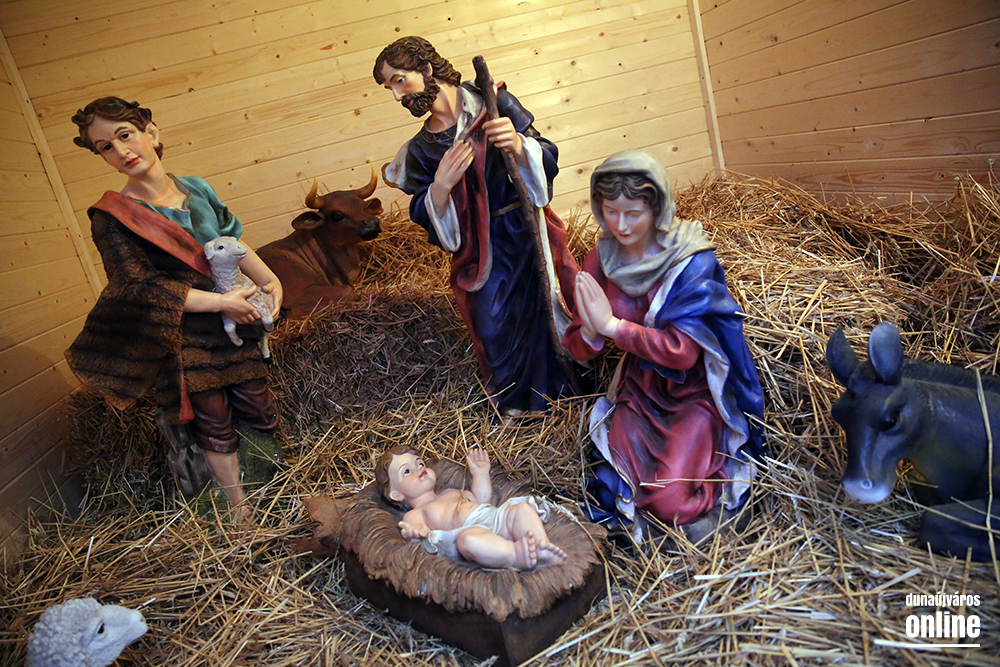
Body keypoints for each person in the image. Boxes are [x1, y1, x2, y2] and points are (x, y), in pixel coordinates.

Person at [66, 97, 283, 521]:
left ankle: (275, 483)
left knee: (257, 405)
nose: (121, 150)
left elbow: (231, 241)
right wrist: (221, 302)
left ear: (151, 133)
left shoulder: (197, 188)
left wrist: (268, 279)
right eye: (106, 146)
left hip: (233, 323)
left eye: (125, 135)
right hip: (183, 336)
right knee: (213, 421)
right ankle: (239, 510)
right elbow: (139, 288)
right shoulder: (112, 218)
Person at [373, 36, 581, 415]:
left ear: (426, 69)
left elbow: (548, 154)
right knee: (493, 325)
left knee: (548, 312)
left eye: (399, 81)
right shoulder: (421, 150)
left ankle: (567, 398)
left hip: (527, 231)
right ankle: (520, 409)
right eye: (390, 87)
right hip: (482, 251)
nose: (397, 95)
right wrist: (440, 187)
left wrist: (518, 144)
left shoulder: (494, 102)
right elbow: (423, 212)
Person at [562, 150, 765, 537]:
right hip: (640, 389)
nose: (620, 225)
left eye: (633, 213)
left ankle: (711, 508)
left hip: (693, 394)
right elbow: (577, 343)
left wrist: (611, 325)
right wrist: (591, 332)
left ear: (657, 208)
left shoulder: (690, 262)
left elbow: (682, 352)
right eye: (610, 211)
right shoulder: (601, 260)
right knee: (616, 482)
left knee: (668, 501)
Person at [375, 446, 567, 570]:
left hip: (493, 518)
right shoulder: (416, 513)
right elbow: (416, 533)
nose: (419, 469)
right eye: (407, 471)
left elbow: (482, 499)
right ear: (396, 494)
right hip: (472, 531)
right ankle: (515, 555)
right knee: (469, 542)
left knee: (521, 510)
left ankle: (541, 546)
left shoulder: (450, 491)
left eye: (420, 464)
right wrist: (418, 532)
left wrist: (480, 474)